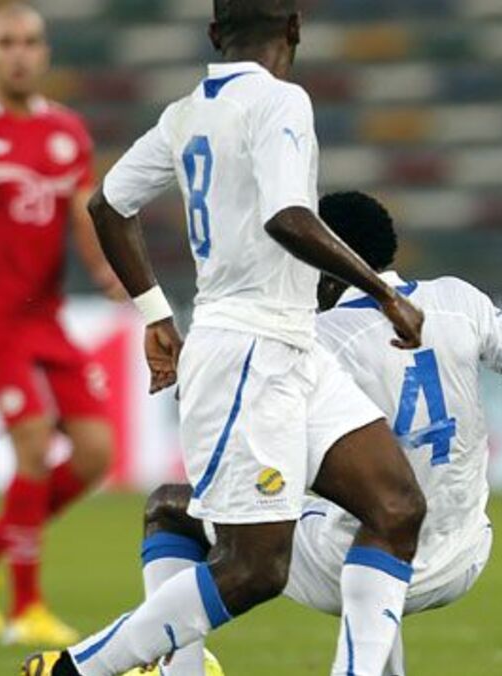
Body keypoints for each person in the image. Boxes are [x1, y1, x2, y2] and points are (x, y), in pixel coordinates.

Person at [23, 3, 433, 675]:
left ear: (215, 35)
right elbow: (287, 217)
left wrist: (156, 314)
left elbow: (108, 204)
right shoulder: (281, 100)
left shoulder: (186, 113)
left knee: (395, 505)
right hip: (248, 351)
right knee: (254, 568)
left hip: (289, 345)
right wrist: (384, 293)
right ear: (294, 29)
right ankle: (76, 670)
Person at [118, 190, 502, 676]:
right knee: (363, 518)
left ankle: (179, 671)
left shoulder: (314, 338)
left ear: (322, 262)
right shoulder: (459, 300)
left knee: (170, 508)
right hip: (462, 554)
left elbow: (232, 410)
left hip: (354, 558)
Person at [0, 2, 123, 647]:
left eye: (29, 42)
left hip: (48, 318)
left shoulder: (66, 131)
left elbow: (82, 213)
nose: (19, 53)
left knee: (95, 454)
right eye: (6, 42)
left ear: (45, 52)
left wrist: (109, 274)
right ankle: (27, 606)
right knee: (34, 448)